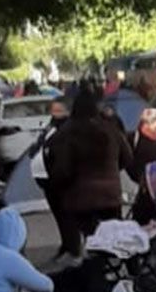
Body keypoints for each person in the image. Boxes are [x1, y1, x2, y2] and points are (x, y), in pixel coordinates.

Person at [48, 88, 133, 261]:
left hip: (80, 198)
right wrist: (112, 172)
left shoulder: (66, 133)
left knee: (91, 238)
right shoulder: (110, 129)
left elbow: (62, 169)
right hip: (110, 195)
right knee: (111, 238)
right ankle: (111, 270)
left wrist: (61, 186)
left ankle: (95, 272)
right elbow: (128, 157)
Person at [28, 97, 70, 261]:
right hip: (45, 177)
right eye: (54, 110)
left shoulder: (66, 129)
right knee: (58, 215)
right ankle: (66, 244)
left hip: (57, 177)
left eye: (59, 110)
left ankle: (71, 247)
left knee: (65, 215)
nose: (56, 113)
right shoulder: (50, 127)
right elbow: (39, 144)